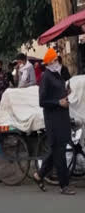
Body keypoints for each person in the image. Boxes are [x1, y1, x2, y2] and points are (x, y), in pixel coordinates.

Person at [33, 49, 76, 195]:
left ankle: (39, 175)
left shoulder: (57, 75)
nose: (58, 62)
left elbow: (59, 92)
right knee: (59, 153)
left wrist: (66, 93)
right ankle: (64, 185)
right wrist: (58, 102)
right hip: (53, 120)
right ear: (50, 62)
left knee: (57, 151)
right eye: (56, 60)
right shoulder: (46, 77)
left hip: (62, 117)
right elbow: (42, 101)